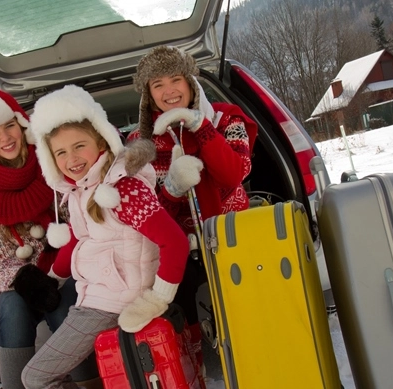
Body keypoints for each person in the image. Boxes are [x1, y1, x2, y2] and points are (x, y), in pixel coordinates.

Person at [21, 85, 189, 389]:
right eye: (60, 152)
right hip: (98, 293)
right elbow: (76, 240)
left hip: (112, 301)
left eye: (79, 146)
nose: (71, 158)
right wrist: (50, 279)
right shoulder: (80, 189)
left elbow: (174, 242)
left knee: (35, 377)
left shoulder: (121, 188)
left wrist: (156, 300)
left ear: (101, 142)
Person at [127, 45, 258, 368]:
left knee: (246, 312)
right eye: (157, 85)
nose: (169, 91)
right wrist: (172, 189)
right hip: (178, 244)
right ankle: (191, 363)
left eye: (175, 80)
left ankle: (254, 358)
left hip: (231, 230)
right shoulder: (138, 145)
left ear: (189, 82)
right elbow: (147, 215)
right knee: (176, 294)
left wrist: (201, 126)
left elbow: (233, 174)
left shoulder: (229, 118)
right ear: (148, 96)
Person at [0, 88, 99, 389]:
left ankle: (91, 384)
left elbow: (75, 214)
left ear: (21, 123)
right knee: (12, 307)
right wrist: (30, 281)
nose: (5, 138)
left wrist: (56, 273)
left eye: (9, 125)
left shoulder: (50, 160)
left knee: (67, 306)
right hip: (19, 277)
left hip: (64, 264)